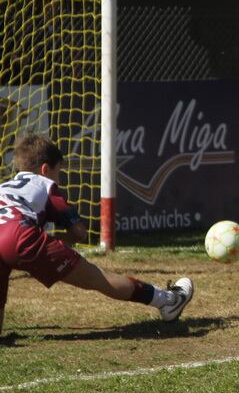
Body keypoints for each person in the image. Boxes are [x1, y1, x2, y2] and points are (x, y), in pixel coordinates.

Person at [0, 134, 193, 335]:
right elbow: (79, 233)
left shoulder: (4, 187)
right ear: (45, 170)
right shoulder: (45, 185)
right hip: (20, 235)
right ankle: (169, 301)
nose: (59, 178)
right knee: (97, 278)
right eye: (58, 172)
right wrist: (55, 241)